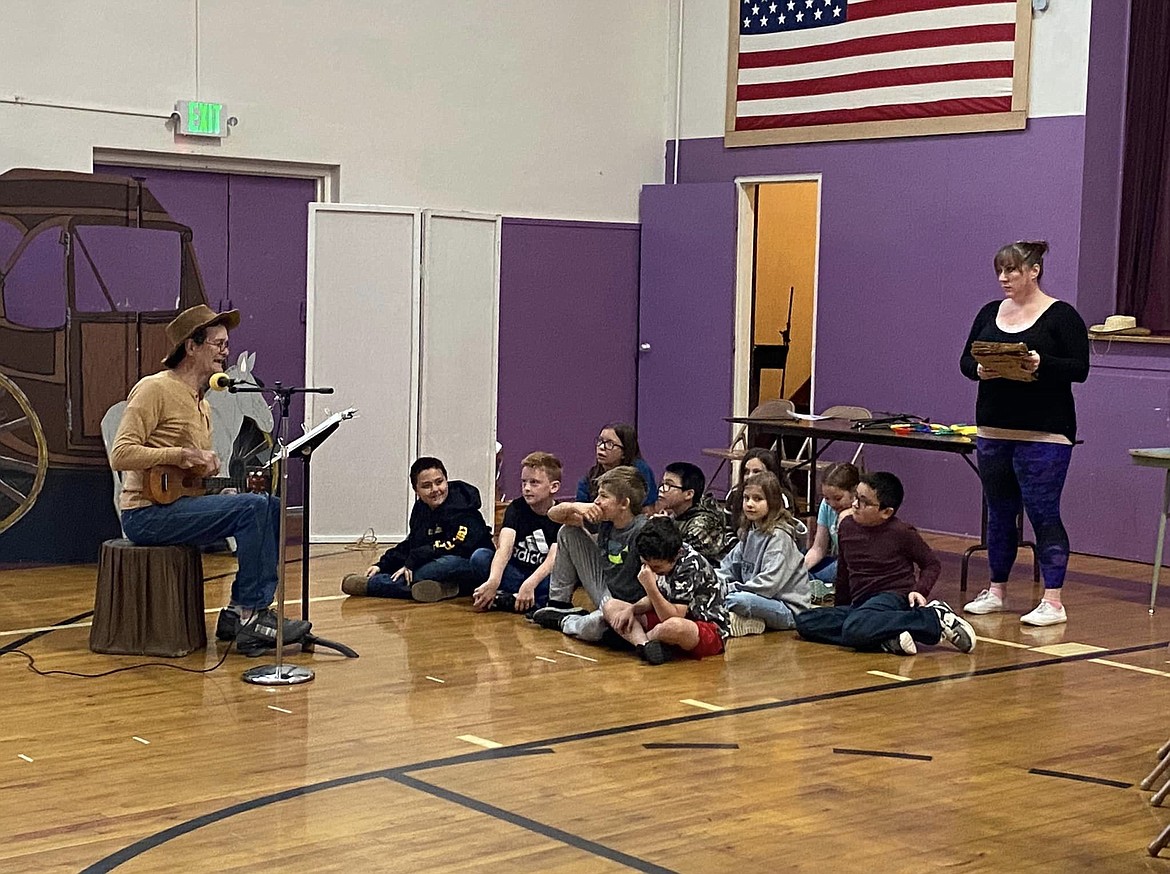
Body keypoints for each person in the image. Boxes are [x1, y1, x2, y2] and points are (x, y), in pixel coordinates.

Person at [111, 304, 311, 651]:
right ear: (191, 346)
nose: (226, 352)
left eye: (226, 344)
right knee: (257, 507)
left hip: (176, 508)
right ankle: (251, 613)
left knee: (261, 504)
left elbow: (182, 481)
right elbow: (121, 454)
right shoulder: (154, 389)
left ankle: (237, 612)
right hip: (145, 516)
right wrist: (182, 454)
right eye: (218, 344)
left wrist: (212, 484)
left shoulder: (202, 402)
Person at [959, 240, 1090, 627]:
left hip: (1045, 433)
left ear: (1034, 271)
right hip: (993, 428)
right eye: (1000, 271)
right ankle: (996, 589)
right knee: (999, 513)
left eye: (1012, 271)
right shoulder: (989, 312)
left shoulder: (1062, 316)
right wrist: (978, 370)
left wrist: (1039, 361)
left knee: (1043, 512)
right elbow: (967, 358)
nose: (1004, 278)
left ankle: (1053, 600)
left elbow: (1079, 368)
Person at [794, 472, 976, 656]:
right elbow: (844, 572)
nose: (855, 504)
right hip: (862, 604)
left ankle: (933, 618)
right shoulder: (847, 526)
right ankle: (887, 639)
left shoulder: (901, 532)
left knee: (854, 628)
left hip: (891, 599)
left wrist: (920, 590)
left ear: (886, 512)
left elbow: (931, 564)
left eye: (864, 501)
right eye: (856, 497)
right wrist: (840, 608)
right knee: (805, 621)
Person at [341, 457, 493, 602]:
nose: (435, 490)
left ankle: (371, 585)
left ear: (446, 480)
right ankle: (448, 588)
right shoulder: (420, 509)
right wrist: (381, 565)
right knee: (415, 569)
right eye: (426, 486)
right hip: (441, 563)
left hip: (469, 563)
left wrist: (413, 561)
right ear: (416, 490)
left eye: (439, 482)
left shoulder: (464, 507)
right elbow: (412, 543)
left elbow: (455, 545)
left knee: (424, 571)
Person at [530, 466, 649, 643]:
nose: (597, 501)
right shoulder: (605, 520)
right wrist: (574, 506)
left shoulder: (642, 531)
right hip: (605, 589)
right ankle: (559, 604)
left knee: (596, 624)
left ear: (624, 504)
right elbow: (552, 515)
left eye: (604, 496)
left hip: (630, 605)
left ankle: (567, 621)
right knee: (567, 531)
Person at [603, 517, 729, 665]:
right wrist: (632, 609)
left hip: (703, 628)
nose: (650, 571)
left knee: (673, 626)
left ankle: (637, 641)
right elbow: (655, 600)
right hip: (667, 616)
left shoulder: (689, 564)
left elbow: (673, 617)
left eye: (657, 568)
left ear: (675, 556)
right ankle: (646, 646)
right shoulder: (658, 558)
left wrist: (650, 587)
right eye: (646, 565)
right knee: (611, 606)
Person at [717, 471, 811, 637]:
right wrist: (711, 583)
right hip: (760, 598)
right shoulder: (750, 530)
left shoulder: (779, 536)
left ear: (773, 502)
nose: (750, 504)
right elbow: (728, 566)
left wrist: (729, 589)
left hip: (788, 609)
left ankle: (745, 619)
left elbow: (768, 584)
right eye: (746, 498)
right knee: (714, 593)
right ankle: (749, 621)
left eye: (758, 499)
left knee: (736, 600)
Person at [469, 451, 563, 613]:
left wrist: (529, 584)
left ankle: (511, 599)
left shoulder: (560, 514)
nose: (526, 488)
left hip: (540, 577)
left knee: (557, 583)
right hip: (515, 572)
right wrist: (493, 581)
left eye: (534, 483)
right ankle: (520, 600)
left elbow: (551, 561)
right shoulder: (516, 508)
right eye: (524, 482)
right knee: (480, 557)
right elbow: (504, 549)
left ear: (553, 487)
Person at [654, 461, 730, 563]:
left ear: (689, 494)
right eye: (662, 483)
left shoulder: (701, 525)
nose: (661, 489)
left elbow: (673, 557)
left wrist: (661, 529)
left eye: (669, 485)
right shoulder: (680, 511)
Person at [803, 462, 860, 595]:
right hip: (836, 561)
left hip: (851, 567)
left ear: (854, 492)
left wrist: (845, 520)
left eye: (838, 498)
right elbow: (818, 548)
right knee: (798, 565)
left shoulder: (861, 511)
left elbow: (853, 559)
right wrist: (799, 570)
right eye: (827, 498)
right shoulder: (826, 506)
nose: (832, 504)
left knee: (820, 576)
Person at [576, 422, 657, 511]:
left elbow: (648, 509)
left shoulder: (640, 471)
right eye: (600, 441)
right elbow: (581, 510)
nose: (602, 447)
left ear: (624, 452)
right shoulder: (590, 477)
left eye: (610, 444)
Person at [725, 448, 800, 536]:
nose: (750, 476)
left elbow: (785, 533)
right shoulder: (734, 494)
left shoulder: (783, 498)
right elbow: (727, 530)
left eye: (756, 472)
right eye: (746, 471)